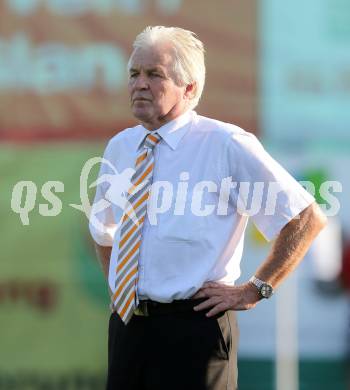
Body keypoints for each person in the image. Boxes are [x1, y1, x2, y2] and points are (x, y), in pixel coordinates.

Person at [89, 26, 327, 390]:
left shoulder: (225, 144)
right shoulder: (121, 147)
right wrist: (120, 290)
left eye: (155, 75)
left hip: (195, 328)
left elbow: (305, 217)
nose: (139, 84)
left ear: (190, 88)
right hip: (129, 329)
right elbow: (104, 233)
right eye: (134, 74)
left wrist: (256, 288)